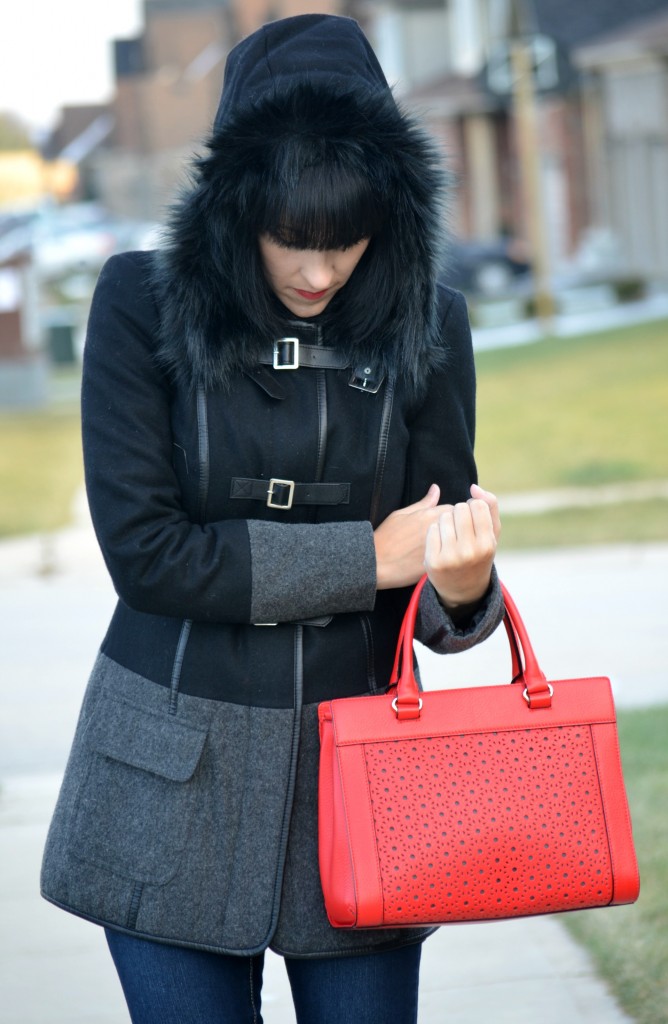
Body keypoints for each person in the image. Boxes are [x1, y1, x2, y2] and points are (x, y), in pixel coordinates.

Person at [41, 14, 504, 1024]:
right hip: (169, 785)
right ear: (233, 209)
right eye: (290, 240)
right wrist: (364, 558)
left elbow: (434, 565)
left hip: (361, 791)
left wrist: (463, 588)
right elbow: (148, 556)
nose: (317, 272)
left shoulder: (432, 326)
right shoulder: (136, 304)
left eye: (345, 242)